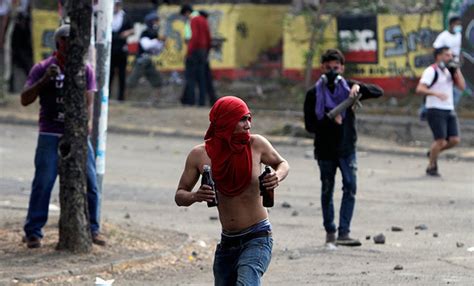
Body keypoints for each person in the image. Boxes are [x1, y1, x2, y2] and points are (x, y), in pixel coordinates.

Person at [175, 96, 289, 285]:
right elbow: (179, 195)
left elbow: (282, 163)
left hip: (258, 236)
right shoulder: (199, 155)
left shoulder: (256, 144)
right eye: (242, 119)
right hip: (228, 242)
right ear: (226, 122)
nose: (248, 125)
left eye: (249, 118)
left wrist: (277, 176)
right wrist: (196, 196)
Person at [20, 25, 106, 248]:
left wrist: (84, 127)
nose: (72, 43)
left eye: (75, 39)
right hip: (49, 131)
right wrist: (44, 81)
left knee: (90, 182)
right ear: (59, 42)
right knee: (43, 181)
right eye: (67, 39)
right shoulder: (43, 67)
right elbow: (25, 99)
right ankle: (33, 231)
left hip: (76, 134)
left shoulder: (84, 69)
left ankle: (93, 228)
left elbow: (88, 103)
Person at [304, 49, 383, 247]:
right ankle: (330, 231)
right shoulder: (313, 94)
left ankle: (344, 233)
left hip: (347, 149)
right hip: (325, 150)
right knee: (327, 190)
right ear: (322, 68)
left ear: (342, 68)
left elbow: (378, 91)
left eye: (336, 68)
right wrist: (331, 120)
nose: (332, 71)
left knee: (350, 187)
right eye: (328, 67)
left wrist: (357, 86)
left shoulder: (349, 89)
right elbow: (310, 126)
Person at [416, 46, 465, 177]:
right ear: (439, 56)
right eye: (447, 55)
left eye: (451, 55)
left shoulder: (449, 71)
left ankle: (433, 152)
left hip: (449, 109)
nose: (450, 58)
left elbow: (462, 87)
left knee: (455, 140)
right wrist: (435, 93)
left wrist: (457, 70)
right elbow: (420, 88)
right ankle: (431, 167)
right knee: (440, 141)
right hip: (435, 109)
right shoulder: (431, 71)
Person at [420, 15, 463, 119]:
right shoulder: (444, 36)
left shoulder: (458, 35)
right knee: (435, 88)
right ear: (452, 24)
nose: (459, 26)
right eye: (457, 24)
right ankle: (425, 111)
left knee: (456, 89)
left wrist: (458, 58)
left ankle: (450, 110)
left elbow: (458, 49)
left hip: (454, 65)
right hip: (444, 66)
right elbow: (436, 49)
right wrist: (442, 61)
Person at [179, 4, 214, 106]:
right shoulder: (203, 19)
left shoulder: (193, 20)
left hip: (194, 51)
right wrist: (207, 51)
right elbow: (208, 37)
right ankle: (201, 101)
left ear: (186, 12)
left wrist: (189, 52)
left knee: (191, 78)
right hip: (203, 52)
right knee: (202, 78)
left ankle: (191, 101)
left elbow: (194, 37)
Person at [127, 11, 165, 91]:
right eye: (155, 21)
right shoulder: (145, 33)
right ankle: (123, 98)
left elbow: (157, 50)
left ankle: (157, 100)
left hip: (149, 59)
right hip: (141, 60)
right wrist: (157, 40)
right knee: (132, 81)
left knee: (157, 81)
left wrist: (161, 42)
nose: (157, 23)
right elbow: (146, 46)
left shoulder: (154, 33)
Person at [110, 0, 133, 101]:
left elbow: (132, 29)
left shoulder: (125, 17)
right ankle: (108, 95)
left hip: (121, 48)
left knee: (122, 74)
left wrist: (127, 33)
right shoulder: (108, 15)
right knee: (109, 73)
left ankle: (121, 97)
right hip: (111, 48)